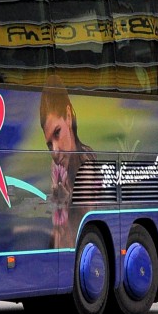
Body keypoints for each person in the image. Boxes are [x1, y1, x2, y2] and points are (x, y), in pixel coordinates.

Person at [40, 76, 96, 249]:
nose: (55, 151)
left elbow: (88, 230)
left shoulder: (86, 169)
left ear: (69, 116)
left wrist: (65, 202)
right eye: (49, 144)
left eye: (57, 133)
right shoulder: (57, 167)